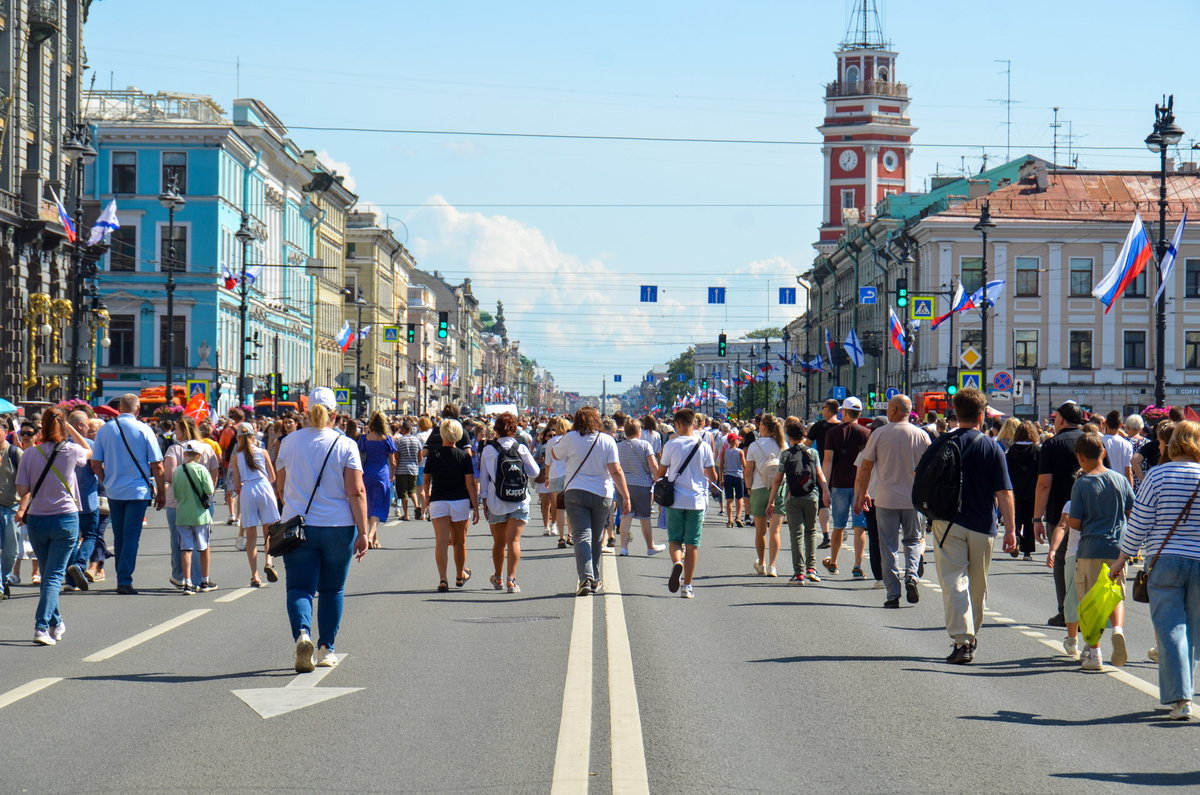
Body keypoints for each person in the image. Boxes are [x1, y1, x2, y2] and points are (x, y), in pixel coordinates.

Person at [1110, 420, 1200, 719]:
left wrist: (1123, 557)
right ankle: (1185, 689)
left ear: (1173, 442)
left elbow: (1140, 520)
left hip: (1164, 560)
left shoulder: (1158, 475)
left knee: (1170, 627)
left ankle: (1180, 699)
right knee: (1194, 630)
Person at [275, 387, 368, 672]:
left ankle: (303, 635)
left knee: (300, 587)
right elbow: (357, 491)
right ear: (336, 415)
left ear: (305, 413)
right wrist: (364, 532)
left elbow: (280, 485)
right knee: (332, 589)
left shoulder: (288, 442)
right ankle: (327, 648)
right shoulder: (346, 444)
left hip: (298, 526)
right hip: (338, 526)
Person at [921, 389, 1016, 664]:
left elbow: (921, 478)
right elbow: (1004, 492)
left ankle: (963, 641)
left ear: (955, 413)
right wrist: (1010, 530)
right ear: (982, 416)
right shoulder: (992, 446)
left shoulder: (940, 443)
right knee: (978, 585)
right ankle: (970, 638)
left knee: (953, 582)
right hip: (983, 525)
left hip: (947, 522)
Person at [14, 408, 92, 645]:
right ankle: (41, 627)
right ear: (63, 427)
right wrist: (69, 429)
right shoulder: (71, 451)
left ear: (41, 428)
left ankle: (55, 622)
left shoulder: (29, 454)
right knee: (53, 577)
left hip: (37, 518)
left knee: (49, 577)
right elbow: (90, 450)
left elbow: (22, 491)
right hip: (65, 519)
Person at [1066, 432, 1135, 670]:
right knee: (1114, 593)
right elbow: (1131, 510)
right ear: (1103, 453)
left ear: (1079, 457)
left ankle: (1094, 654)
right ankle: (1118, 629)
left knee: (1089, 601)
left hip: (1090, 547)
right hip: (1119, 547)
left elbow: (1074, 522)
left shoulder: (1082, 483)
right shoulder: (1120, 480)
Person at [854, 395, 929, 608]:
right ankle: (912, 576)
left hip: (885, 499)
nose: (887, 411)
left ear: (894, 409)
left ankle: (893, 594)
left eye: (888, 408)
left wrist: (864, 494)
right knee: (913, 541)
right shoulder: (922, 435)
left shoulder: (879, 434)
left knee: (888, 546)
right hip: (913, 500)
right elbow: (929, 468)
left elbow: (866, 467)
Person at [90, 394, 165, 595]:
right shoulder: (145, 430)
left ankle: (122, 576)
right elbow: (157, 466)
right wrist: (161, 492)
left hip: (114, 491)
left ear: (119, 407)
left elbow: (95, 464)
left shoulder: (105, 430)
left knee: (120, 535)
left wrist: (107, 480)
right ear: (138, 409)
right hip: (138, 491)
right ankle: (124, 579)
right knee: (131, 535)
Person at [553, 406, 631, 596]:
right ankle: (594, 578)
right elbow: (616, 471)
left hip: (575, 493)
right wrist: (626, 497)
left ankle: (586, 578)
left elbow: (556, 454)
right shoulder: (607, 440)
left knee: (581, 536)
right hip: (602, 494)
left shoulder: (570, 438)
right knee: (597, 538)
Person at [1033, 401, 1086, 626]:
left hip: (1060, 513)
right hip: (1092, 511)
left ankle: (1066, 611)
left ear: (1061, 420)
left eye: (1055, 419)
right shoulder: (1092, 441)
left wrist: (1037, 518)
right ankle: (1089, 609)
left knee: (1062, 562)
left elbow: (1044, 484)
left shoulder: (1052, 445)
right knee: (1088, 562)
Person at [656, 408, 718, 599]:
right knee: (692, 545)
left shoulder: (671, 445)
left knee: (675, 540)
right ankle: (687, 586)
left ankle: (677, 563)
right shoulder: (705, 446)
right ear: (694, 423)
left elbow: (660, 473)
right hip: (697, 501)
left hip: (674, 500)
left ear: (678, 424)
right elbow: (713, 476)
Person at [478, 413, 540, 593]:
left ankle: (498, 578)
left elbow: (483, 478)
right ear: (514, 429)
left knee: (499, 542)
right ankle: (511, 581)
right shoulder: (520, 448)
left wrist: (484, 501)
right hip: (519, 500)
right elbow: (535, 472)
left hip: (496, 500)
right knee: (514, 540)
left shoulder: (489, 450)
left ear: (496, 429)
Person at [767, 420, 829, 583]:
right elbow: (820, 474)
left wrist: (771, 501)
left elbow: (778, 479)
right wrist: (826, 492)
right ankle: (811, 569)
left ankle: (799, 573)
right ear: (804, 436)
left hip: (792, 497)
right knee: (811, 531)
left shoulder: (786, 454)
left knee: (796, 534)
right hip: (811, 496)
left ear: (789, 436)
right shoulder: (813, 453)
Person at [162, 416, 219, 590]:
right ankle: (201, 578)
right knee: (202, 540)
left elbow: (168, 476)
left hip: (178, 503)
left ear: (184, 430)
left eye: (177, 429)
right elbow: (215, 474)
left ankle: (182, 576)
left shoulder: (174, 450)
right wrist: (206, 494)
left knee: (180, 541)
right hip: (203, 503)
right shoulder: (207, 448)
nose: (174, 432)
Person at [424, 418, 479, 592]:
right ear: (459, 435)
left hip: (439, 499)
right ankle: (459, 575)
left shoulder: (434, 454)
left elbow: (426, 480)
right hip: (460, 500)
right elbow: (470, 484)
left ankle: (443, 579)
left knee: (441, 541)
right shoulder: (464, 456)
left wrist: (427, 497)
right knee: (459, 542)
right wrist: (476, 507)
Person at [822, 397, 870, 577]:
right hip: (860, 486)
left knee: (839, 526)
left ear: (844, 412)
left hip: (839, 484)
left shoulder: (833, 433)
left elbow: (827, 461)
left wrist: (825, 488)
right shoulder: (867, 433)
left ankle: (833, 563)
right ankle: (857, 566)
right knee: (860, 526)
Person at [230, 422, 281, 587]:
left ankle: (254, 575)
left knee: (251, 536)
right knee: (268, 530)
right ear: (253, 436)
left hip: (248, 490)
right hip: (264, 487)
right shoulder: (263, 452)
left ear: (238, 438)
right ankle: (269, 561)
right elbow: (272, 477)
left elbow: (237, 483)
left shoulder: (236, 457)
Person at [171, 441, 217, 594]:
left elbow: (176, 494)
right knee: (204, 547)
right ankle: (205, 580)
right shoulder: (202, 469)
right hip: (200, 515)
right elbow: (209, 490)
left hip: (182, 514)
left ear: (184, 454)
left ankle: (187, 582)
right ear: (199, 455)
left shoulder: (177, 471)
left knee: (186, 548)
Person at [615, 418, 666, 556]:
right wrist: (658, 479)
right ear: (639, 431)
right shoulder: (645, 445)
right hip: (642, 484)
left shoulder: (619, 446)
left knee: (625, 515)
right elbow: (653, 466)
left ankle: (623, 548)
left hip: (623, 485)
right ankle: (650, 546)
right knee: (645, 517)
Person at [63, 411, 100, 592]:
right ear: (79, 426)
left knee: (71, 539)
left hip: (67, 500)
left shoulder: (61, 446)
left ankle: (70, 581)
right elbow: (96, 466)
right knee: (90, 535)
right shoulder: (90, 445)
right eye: (86, 426)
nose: (88, 429)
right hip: (88, 498)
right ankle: (79, 564)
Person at [745, 414, 785, 577]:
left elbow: (748, 472)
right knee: (775, 531)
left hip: (758, 489)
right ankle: (773, 566)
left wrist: (749, 489)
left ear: (763, 427)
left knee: (760, 531)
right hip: (779, 490)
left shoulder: (754, 446)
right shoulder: (782, 445)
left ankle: (761, 563)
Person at [359, 411, 397, 549]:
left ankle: (375, 539)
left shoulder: (364, 439)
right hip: (382, 474)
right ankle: (370, 536)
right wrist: (392, 474)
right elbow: (392, 461)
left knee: (370, 505)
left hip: (367, 473)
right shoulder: (387, 439)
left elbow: (359, 458)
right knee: (378, 505)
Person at [807, 399, 841, 550]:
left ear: (828, 410)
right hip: (842, 469)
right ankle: (839, 532)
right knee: (841, 500)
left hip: (821, 467)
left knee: (823, 501)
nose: (822, 410)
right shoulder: (843, 426)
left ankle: (826, 535)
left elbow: (806, 445)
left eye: (823, 408)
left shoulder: (819, 426)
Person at [1005, 421, 1041, 560]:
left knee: (1016, 518)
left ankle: (1016, 539)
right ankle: (1028, 551)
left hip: (1014, 489)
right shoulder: (1036, 450)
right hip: (1032, 490)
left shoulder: (1011, 451)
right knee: (1029, 520)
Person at [0, 418, 22, 598]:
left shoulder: (15, 453)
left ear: (5, 431)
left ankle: (4, 579)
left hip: (12, 508)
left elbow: (26, 483)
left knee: (10, 550)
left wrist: (23, 508)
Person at [546, 417, 572, 547]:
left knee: (559, 507)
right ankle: (570, 534)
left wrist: (546, 477)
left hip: (555, 475)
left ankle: (561, 537)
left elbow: (547, 462)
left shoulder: (551, 442)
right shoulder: (571, 441)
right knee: (571, 507)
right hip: (569, 476)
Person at [393, 420, 422, 521]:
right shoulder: (416, 440)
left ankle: (406, 514)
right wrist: (415, 463)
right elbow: (420, 457)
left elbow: (396, 457)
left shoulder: (399, 441)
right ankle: (417, 505)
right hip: (414, 469)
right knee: (412, 490)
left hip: (401, 470)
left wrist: (394, 469)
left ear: (403, 429)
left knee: (403, 492)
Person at [1101, 410, 1135, 487]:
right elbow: (1128, 472)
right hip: (1121, 484)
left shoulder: (1099, 441)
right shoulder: (1127, 445)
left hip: (1104, 484)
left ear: (1106, 423)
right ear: (1120, 425)